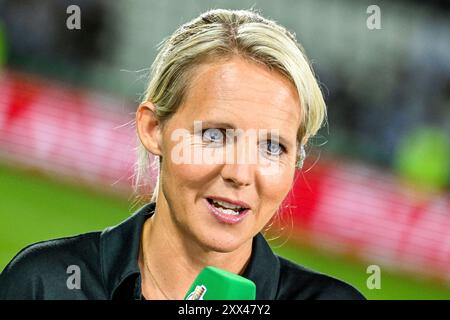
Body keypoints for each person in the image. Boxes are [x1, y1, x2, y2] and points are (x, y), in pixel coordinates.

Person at [0, 9, 365, 300]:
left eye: (272, 146)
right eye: (215, 135)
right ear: (154, 129)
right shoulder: (43, 283)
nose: (240, 172)